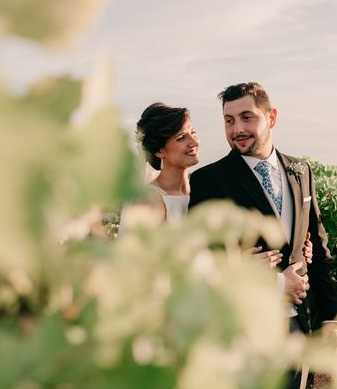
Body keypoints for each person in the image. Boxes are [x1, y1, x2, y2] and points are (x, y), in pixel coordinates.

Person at [188, 83, 337, 389]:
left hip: (300, 325)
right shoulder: (208, 181)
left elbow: (318, 246)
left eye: (247, 117)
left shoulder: (302, 171)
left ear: (271, 116)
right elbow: (201, 262)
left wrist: (329, 318)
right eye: (229, 120)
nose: (237, 129)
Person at [119, 102, 299, 268]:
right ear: (159, 150)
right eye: (181, 137)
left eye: (193, 132)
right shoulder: (149, 200)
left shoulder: (206, 189)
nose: (194, 142)